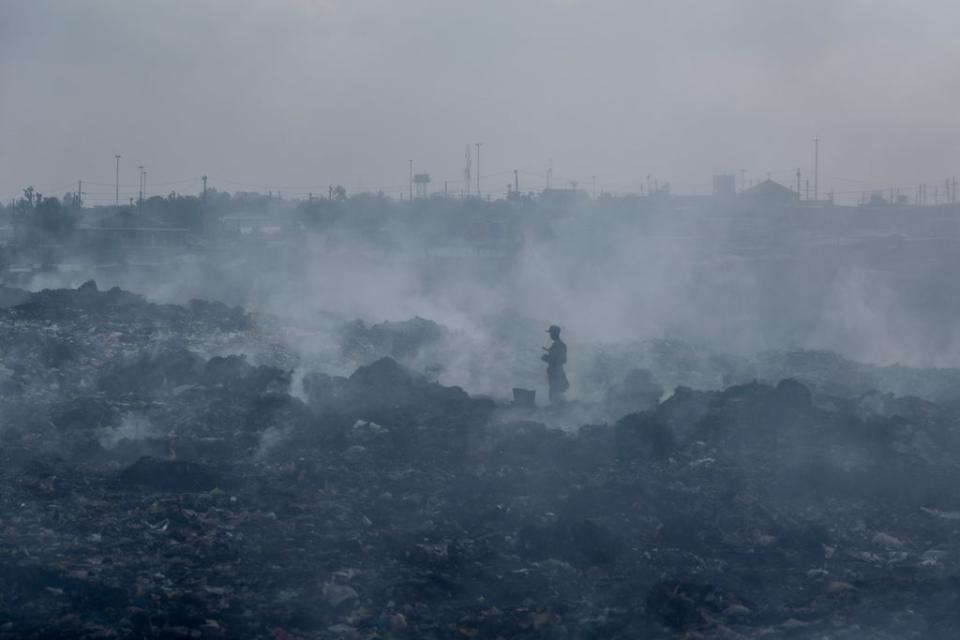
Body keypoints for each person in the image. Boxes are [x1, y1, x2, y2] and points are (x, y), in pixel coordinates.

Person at [542, 324, 569, 404]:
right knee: (554, 394)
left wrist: (546, 358)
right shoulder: (558, 344)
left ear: (555, 333)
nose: (550, 335)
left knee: (555, 394)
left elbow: (562, 360)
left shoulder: (559, 345)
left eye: (551, 333)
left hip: (556, 374)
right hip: (555, 373)